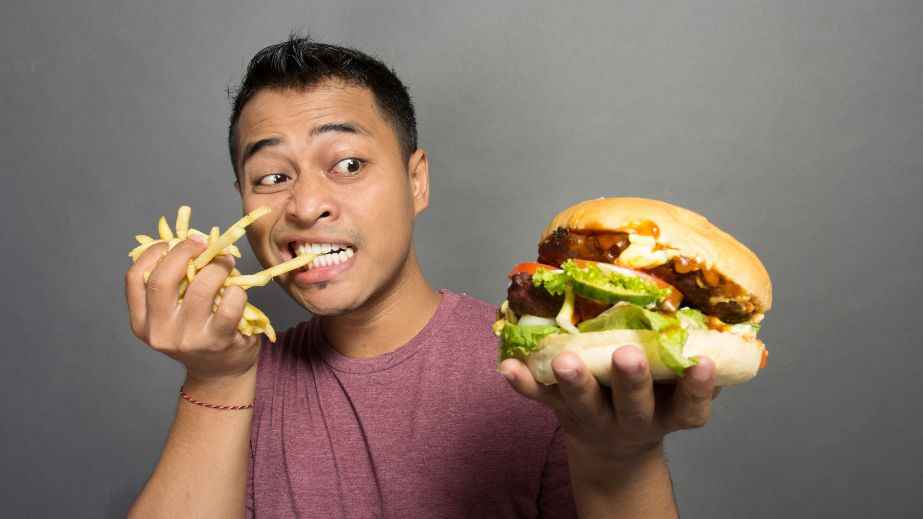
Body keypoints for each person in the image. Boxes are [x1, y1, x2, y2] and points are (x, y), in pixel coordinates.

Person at [125, 35, 718, 518]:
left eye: (349, 165)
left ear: (417, 182)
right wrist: (215, 380)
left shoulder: (542, 370)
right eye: (273, 178)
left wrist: (624, 460)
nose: (306, 206)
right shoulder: (236, 375)